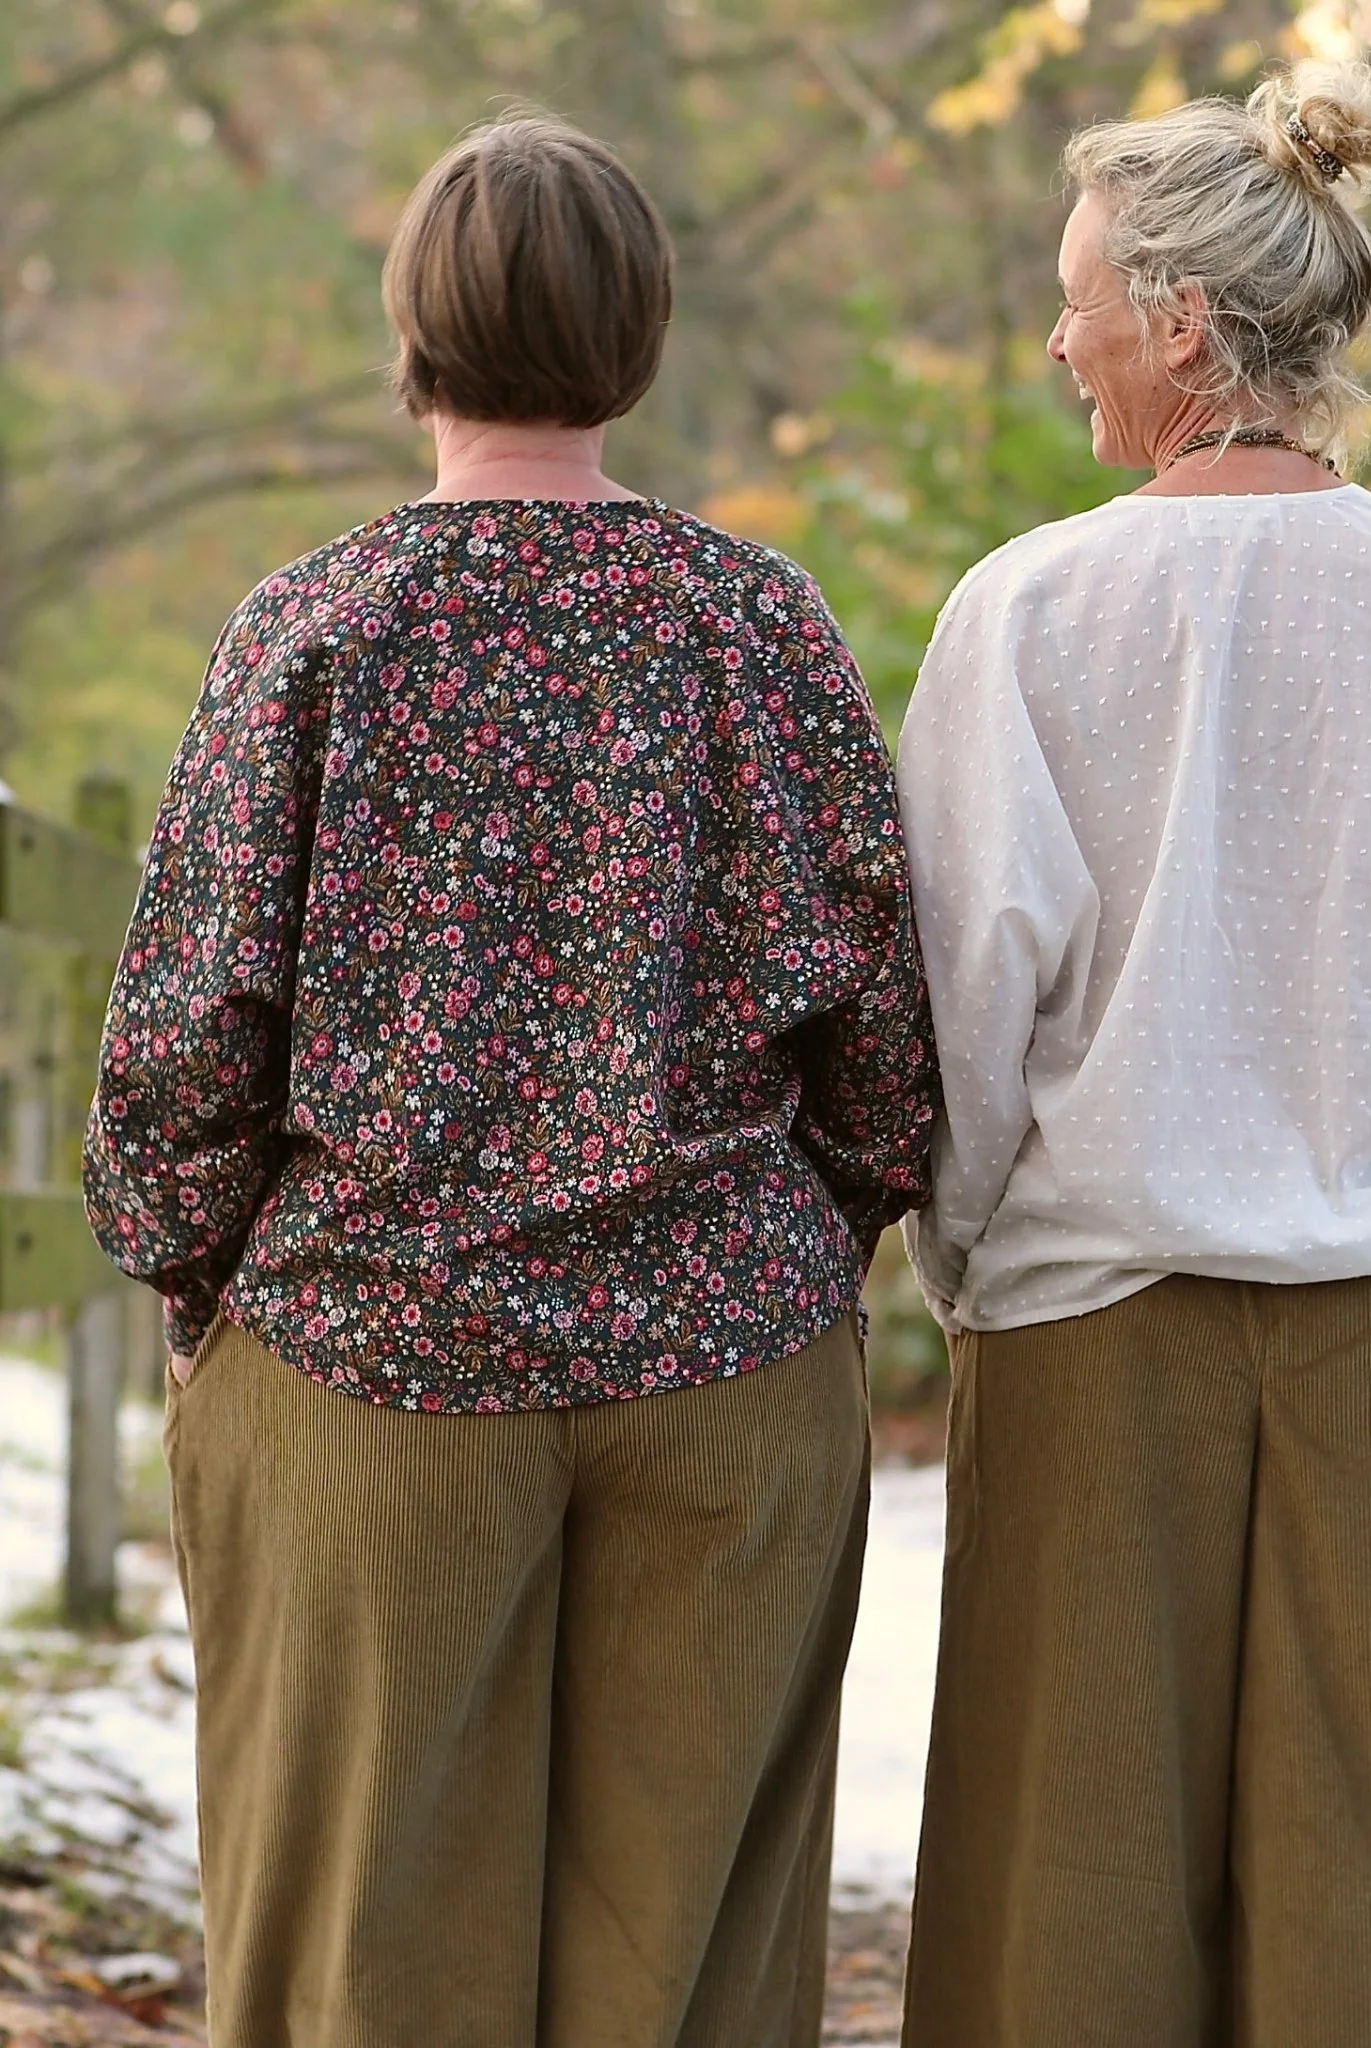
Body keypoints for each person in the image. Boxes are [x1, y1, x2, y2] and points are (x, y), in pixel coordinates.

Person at [84, 111, 936, 2048]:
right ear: (635, 335)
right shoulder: (760, 624)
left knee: (357, 1975)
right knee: (695, 1980)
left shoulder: (314, 627)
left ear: (414, 335)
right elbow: (887, 1039)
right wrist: (805, 1252)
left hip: (376, 1362)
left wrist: (193, 1276)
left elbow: (181, 1044)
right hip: (723, 1361)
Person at [895, 55, 1371, 2048]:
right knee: (1348, 1885)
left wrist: (960, 1257)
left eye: (1078, 298)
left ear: (1181, 323)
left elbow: (970, 991)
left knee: (1060, 1888)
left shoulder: (1024, 614)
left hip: (1084, 1319)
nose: (1058, 336)